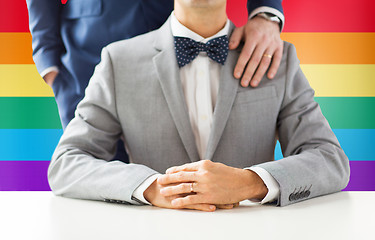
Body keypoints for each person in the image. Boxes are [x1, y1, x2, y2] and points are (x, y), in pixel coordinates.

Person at [48, 0, 350, 212]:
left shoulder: (276, 59)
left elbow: (330, 159)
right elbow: (66, 163)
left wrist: (250, 183)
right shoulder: (119, 61)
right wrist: (152, 188)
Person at [26, 0, 284, 129]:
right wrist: (47, 59)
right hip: (87, 53)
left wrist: (266, 11)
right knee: (96, 180)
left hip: (184, 38)